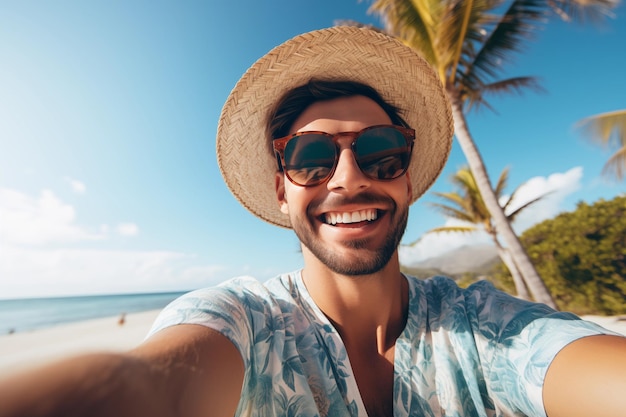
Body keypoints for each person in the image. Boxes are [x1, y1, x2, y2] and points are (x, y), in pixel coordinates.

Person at [0, 26, 625, 417]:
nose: (350, 178)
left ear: (406, 177)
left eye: (380, 152)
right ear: (281, 192)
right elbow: (147, 385)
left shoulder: (486, 325)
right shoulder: (242, 321)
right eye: (312, 157)